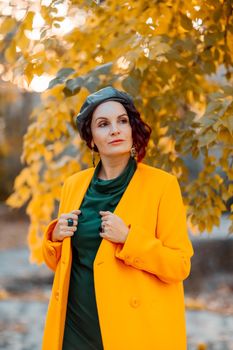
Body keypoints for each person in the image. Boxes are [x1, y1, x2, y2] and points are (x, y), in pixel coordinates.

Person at [41, 86, 194, 350]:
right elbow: (63, 265)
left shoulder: (162, 185)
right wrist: (54, 237)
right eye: (103, 124)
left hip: (132, 332)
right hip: (74, 329)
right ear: (91, 139)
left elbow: (179, 265)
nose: (115, 130)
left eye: (122, 121)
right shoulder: (73, 185)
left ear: (132, 129)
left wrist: (129, 239)